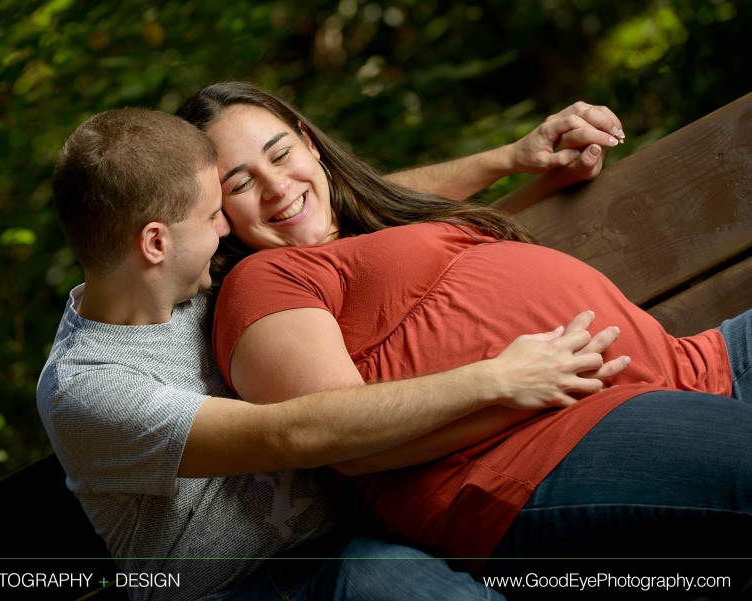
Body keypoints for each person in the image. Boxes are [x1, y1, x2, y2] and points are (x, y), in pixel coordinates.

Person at [37, 107, 629, 601]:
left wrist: (515, 161)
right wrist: (497, 379)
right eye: (214, 211)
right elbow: (289, 433)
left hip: (369, 519)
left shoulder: (182, 281)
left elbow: (351, 219)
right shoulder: (90, 388)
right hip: (248, 585)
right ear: (156, 242)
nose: (226, 226)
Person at [176, 81, 752, 573]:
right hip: (537, 457)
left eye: (280, 155)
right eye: (240, 184)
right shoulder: (262, 279)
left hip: (690, 366)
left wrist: (538, 170)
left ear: (308, 141)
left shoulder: (366, 235)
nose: (276, 187)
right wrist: (499, 381)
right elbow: (335, 435)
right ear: (216, 212)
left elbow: (399, 216)